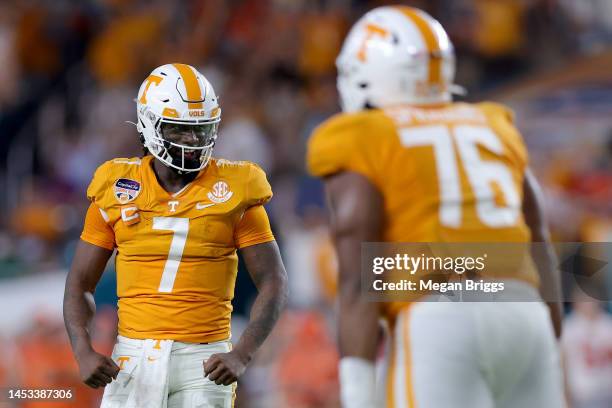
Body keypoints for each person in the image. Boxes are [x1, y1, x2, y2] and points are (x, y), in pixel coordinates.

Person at [306, 6, 565, 408]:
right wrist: (546, 343)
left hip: (441, 314)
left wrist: (356, 392)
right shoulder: (493, 125)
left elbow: (359, 280)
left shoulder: (362, 135)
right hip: (523, 309)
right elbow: (540, 243)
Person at [63, 63, 288, 408]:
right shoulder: (116, 184)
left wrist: (242, 353)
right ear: (149, 124)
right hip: (133, 355)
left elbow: (273, 281)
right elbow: (80, 282)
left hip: (204, 357)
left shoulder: (237, 188)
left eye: (202, 130)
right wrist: (82, 350)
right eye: (181, 131)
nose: (194, 142)